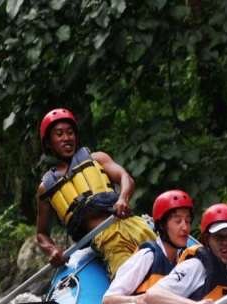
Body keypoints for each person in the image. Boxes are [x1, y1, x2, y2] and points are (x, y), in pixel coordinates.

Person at [35, 108, 156, 278]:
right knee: (132, 279)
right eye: (59, 134)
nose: (66, 138)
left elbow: (125, 177)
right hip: (106, 240)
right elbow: (41, 234)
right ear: (48, 142)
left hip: (133, 225)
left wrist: (123, 198)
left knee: (164, 263)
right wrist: (52, 250)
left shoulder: (97, 158)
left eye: (70, 133)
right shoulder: (46, 187)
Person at [102, 189, 194, 304]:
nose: (185, 227)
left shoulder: (184, 262)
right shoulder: (147, 256)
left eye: (188, 221)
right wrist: (136, 301)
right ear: (162, 226)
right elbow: (108, 299)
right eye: (178, 221)